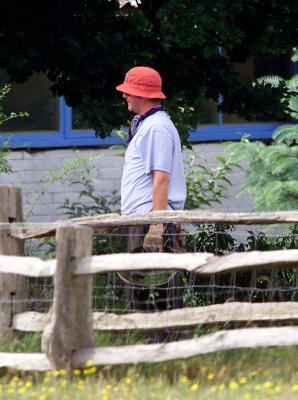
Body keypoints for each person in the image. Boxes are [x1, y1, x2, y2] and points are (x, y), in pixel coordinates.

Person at [116, 66, 187, 314]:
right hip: (146, 218)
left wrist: (157, 226)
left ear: (143, 94)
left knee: (154, 295)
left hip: (149, 221)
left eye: (128, 91)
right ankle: (156, 343)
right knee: (144, 292)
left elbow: (162, 179)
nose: (124, 96)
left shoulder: (155, 127)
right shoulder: (149, 125)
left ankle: (161, 344)